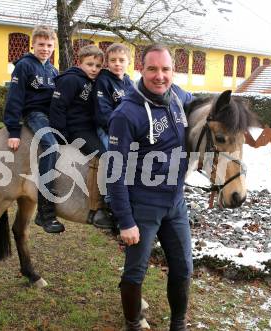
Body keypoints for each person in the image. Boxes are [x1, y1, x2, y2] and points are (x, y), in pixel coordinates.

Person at [107, 44, 193, 331]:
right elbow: (114, 172)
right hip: (143, 206)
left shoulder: (179, 98)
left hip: (176, 203)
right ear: (141, 70)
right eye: (152, 69)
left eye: (165, 69)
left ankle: (178, 325)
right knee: (135, 273)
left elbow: (210, 106)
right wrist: (126, 220)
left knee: (183, 270)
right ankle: (132, 324)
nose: (160, 76)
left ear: (173, 71)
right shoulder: (126, 114)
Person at [3, 25, 65, 234]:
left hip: (51, 116)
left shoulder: (53, 70)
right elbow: (14, 98)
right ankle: (45, 212)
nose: (45, 49)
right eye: (41, 44)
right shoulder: (24, 66)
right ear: (33, 45)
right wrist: (13, 130)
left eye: (49, 45)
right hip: (34, 115)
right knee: (52, 147)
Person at [49, 44, 114, 229]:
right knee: (103, 157)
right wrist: (61, 136)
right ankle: (97, 208)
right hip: (77, 129)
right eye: (90, 64)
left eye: (98, 65)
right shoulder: (70, 80)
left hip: (90, 128)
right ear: (80, 63)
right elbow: (58, 107)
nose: (94, 69)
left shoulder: (93, 81)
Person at [95, 43, 133, 149]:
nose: (117, 64)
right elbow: (103, 112)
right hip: (108, 129)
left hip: (128, 129)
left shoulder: (130, 84)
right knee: (115, 156)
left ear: (128, 62)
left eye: (121, 60)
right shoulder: (103, 81)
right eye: (113, 60)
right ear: (107, 62)